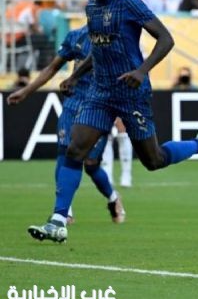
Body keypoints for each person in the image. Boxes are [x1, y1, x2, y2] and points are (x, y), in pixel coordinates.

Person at [27, 0, 198, 243]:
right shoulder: (92, 8)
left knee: (153, 160)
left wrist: (142, 71)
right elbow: (98, 50)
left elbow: (166, 39)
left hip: (132, 93)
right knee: (75, 149)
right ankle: (58, 220)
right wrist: (76, 76)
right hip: (100, 93)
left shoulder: (129, 3)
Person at [7, 25, 125, 229]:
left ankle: (113, 197)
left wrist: (119, 110)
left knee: (91, 164)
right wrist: (26, 91)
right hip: (73, 104)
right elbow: (52, 67)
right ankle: (64, 211)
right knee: (64, 153)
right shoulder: (76, 36)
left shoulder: (116, 37)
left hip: (99, 107)